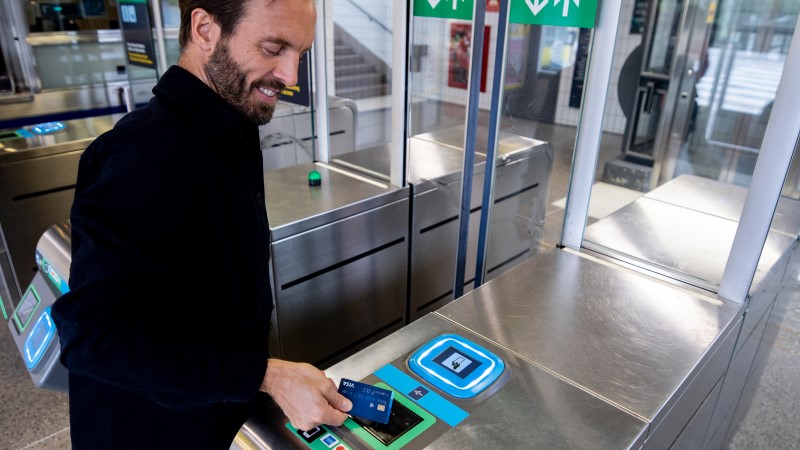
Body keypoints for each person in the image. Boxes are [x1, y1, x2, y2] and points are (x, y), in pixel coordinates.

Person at [50, 0, 351, 447]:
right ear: (205, 29)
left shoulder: (232, 127)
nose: (291, 76)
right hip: (149, 432)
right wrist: (265, 375)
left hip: (214, 416)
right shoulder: (139, 155)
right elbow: (94, 338)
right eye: (274, 47)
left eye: (300, 54)